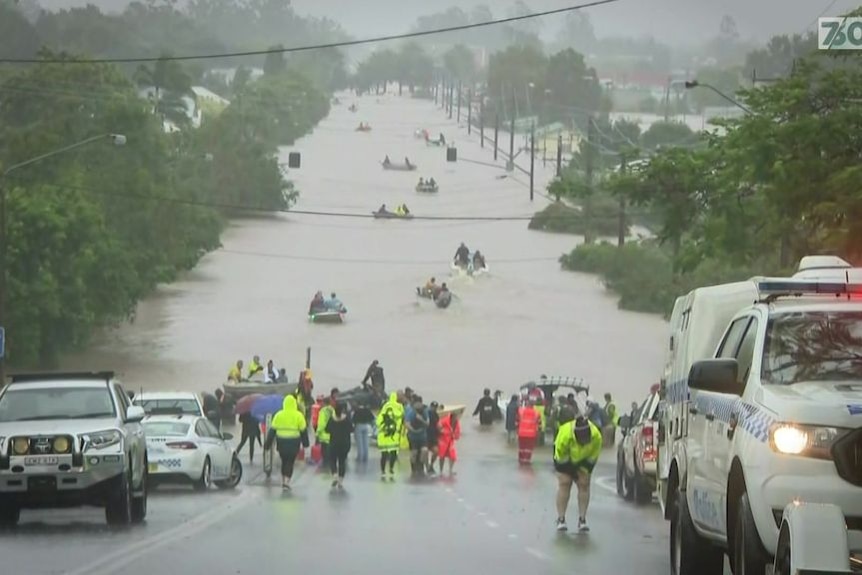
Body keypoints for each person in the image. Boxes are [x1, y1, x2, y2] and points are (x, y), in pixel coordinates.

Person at [554, 416, 602, 532]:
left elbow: (593, 457)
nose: (583, 443)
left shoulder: (596, 437)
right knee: (565, 483)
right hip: (565, 460)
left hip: (583, 461)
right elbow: (561, 458)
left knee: (584, 484)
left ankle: (582, 519)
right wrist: (571, 471)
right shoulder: (565, 435)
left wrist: (584, 471)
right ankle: (561, 519)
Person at [268, 395, 307, 490]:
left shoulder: (278, 415)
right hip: (294, 442)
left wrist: (267, 444)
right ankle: (287, 481)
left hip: (281, 442)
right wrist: (306, 443)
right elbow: (303, 431)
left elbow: (272, 431)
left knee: (284, 461)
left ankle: (283, 479)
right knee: (290, 461)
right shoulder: (299, 415)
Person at [376, 392, 404, 479]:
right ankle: (391, 468)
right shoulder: (400, 407)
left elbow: (378, 421)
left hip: (383, 434)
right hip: (394, 434)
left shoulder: (385, 407)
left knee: (384, 454)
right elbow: (402, 418)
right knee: (394, 452)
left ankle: (383, 470)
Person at [326, 402, 353, 489]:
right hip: (344, 444)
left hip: (333, 443)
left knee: (332, 460)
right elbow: (351, 429)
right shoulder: (346, 420)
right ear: (342, 411)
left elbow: (327, 429)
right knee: (342, 461)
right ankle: (340, 481)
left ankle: (335, 476)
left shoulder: (331, 419)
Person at [405, 396, 430, 477]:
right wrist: (413, 430)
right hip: (413, 436)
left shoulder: (424, 411)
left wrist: (421, 419)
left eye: (420, 404)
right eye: (417, 404)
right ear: (415, 404)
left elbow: (427, 424)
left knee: (424, 451)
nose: (419, 406)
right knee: (414, 453)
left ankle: (421, 466)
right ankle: (413, 468)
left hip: (422, 436)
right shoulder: (410, 412)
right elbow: (407, 424)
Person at [437, 410, 461, 475]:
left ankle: (450, 470)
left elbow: (458, 432)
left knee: (453, 456)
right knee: (442, 456)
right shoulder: (445, 420)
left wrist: (456, 436)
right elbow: (438, 425)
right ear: (452, 416)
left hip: (451, 441)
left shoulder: (457, 423)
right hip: (443, 440)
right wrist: (442, 431)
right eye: (455, 417)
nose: (457, 418)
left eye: (457, 417)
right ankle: (441, 470)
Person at [517, 398, 540, 464]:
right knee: (528, 449)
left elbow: (516, 422)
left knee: (521, 448)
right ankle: (526, 461)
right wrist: (538, 434)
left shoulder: (520, 411)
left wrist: (517, 431)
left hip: (521, 433)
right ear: (533, 405)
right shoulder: (536, 413)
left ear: (526, 404)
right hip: (531, 435)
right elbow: (539, 425)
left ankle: (521, 460)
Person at [316, 395, 335, 469]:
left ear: (324, 403)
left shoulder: (323, 411)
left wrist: (317, 433)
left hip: (324, 437)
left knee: (325, 455)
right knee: (331, 455)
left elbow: (321, 424)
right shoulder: (333, 410)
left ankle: (325, 468)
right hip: (332, 436)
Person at [426, 402, 441, 475]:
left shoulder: (436, 415)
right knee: (424, 452)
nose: (434, 409)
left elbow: (438, 424)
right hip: (426, 436)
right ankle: (426, 466)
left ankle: (431, 465)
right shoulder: (426, 413)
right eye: (433, 407)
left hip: (434, 436)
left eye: (435, 407)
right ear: (430, 406)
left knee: (436, 451)